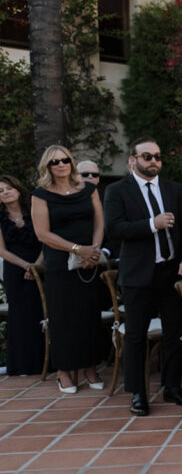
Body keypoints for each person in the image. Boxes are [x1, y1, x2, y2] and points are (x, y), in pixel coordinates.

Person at [103, 138, 182, 415]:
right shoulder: (117, 191)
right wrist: (151, 224)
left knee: (174, 333)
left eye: (157, 156)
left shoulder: (172, 189)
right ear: (133, 160)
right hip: (137, 274)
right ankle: (138, 393)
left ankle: (172, 387)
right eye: (147, 156)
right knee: (135, 336)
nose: (153, 161)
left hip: (171, 272)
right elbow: (115, 229)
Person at [30, 146, 106, 393]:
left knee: (89, 316)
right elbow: (42, 233)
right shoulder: (41, 194)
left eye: (65, 160)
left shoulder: (89, 190)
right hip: (60, 265)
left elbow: (99, 222)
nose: (61, 164)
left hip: (89, 263)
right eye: (55, 162)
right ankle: (63, 371)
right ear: (47, 167)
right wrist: (77, 249)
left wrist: (93, 250)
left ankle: (90, 368)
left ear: (71, 163)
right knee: (64, 319)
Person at [0, 175, 45, 376]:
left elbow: (46, 239)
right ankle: (23, 364)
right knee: (20, 316)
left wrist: (37, 266)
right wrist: (27, 266)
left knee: (42, 311)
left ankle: (47, 361)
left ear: (18, 189)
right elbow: (1, 250)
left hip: (42, 265)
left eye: (8, 188)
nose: (5, 192)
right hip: (15, 269)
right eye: (0, 191)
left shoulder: (34, 211)